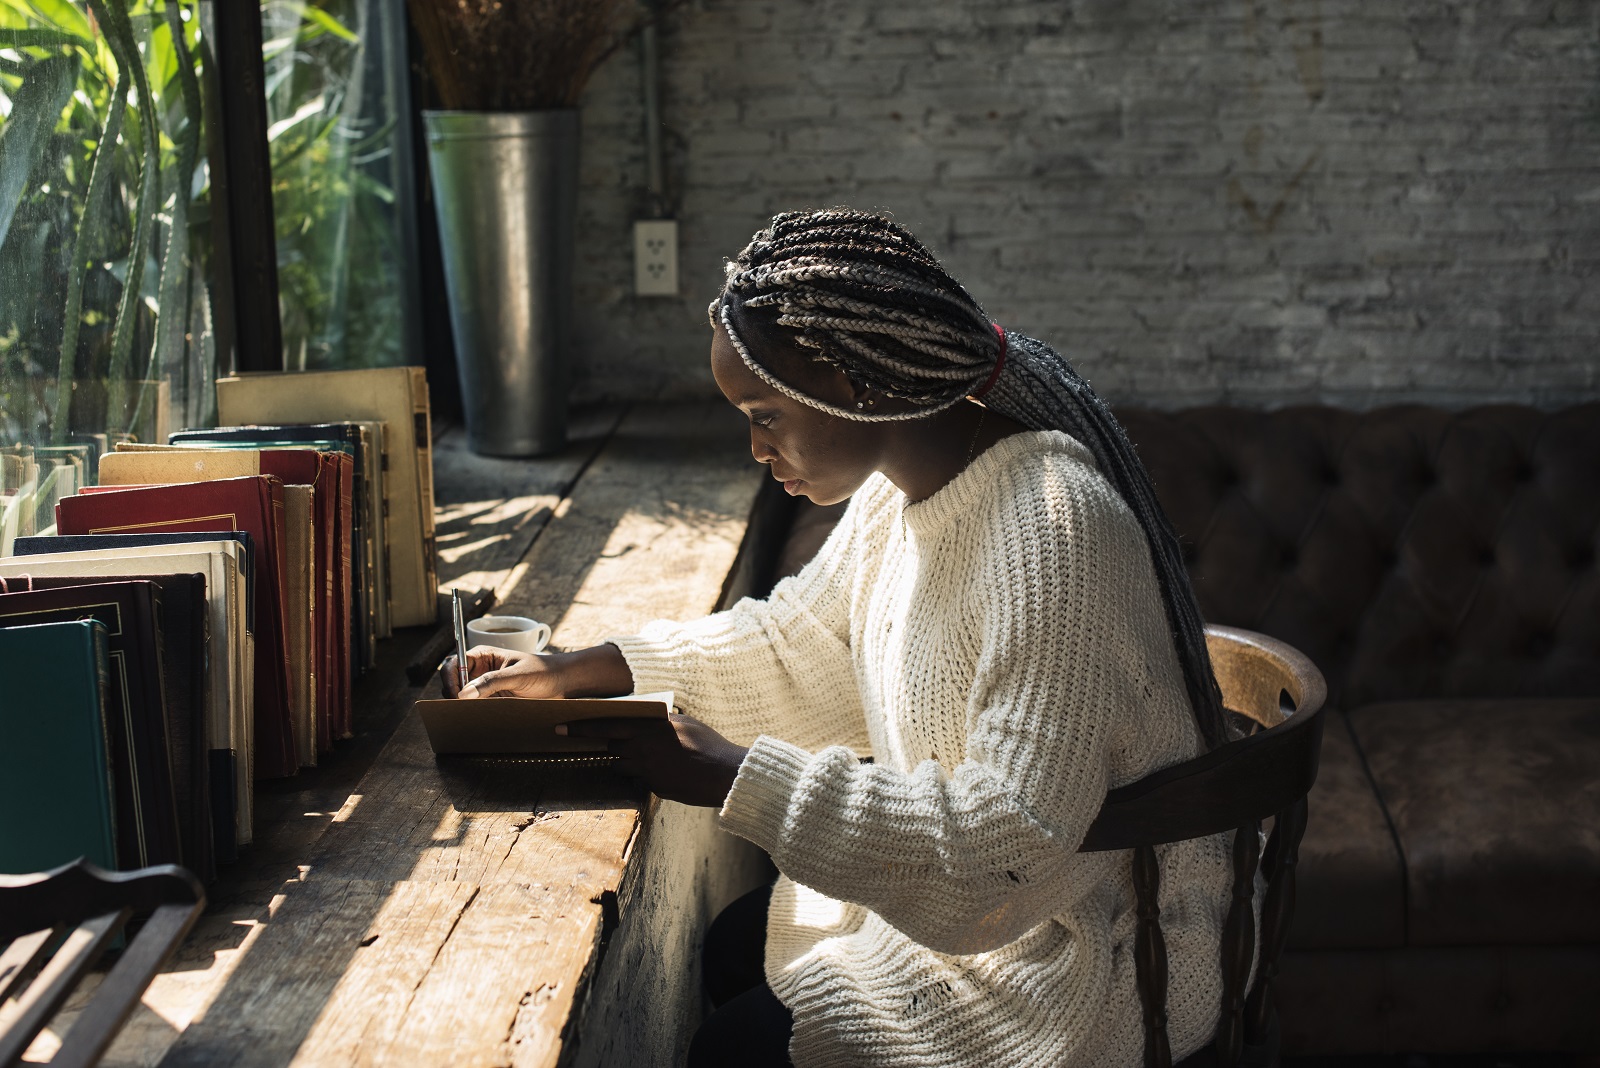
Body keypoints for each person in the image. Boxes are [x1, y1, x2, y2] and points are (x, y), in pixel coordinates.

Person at [444, 208, 1239, 1067]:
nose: (754, 445)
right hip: (999, 918)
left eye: (764, 414)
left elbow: (1011, 847)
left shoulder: (1051, 526)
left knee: (726, 1052)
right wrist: (584, 670)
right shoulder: (900, 494)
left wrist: (734, 775)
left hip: (1092, 957)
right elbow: (801, 649)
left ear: (850, 385)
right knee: (729, 949)